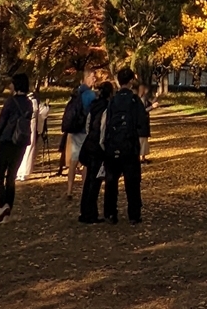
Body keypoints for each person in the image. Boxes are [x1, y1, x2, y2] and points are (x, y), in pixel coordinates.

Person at [102, 65, 151, 223]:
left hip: (113, 145)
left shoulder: (113, 100)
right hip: (130, 145)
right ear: (130, 81)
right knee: (132, 182)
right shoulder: (134, 100)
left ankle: (110, 212)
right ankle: (134, 215)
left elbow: (107, 122)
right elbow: (141, 122)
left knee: (111, 181)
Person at [0, 72, 34, 223]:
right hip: (21, 142)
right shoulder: (29, 103)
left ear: (16, 85)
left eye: (12, 83)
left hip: (7, 140)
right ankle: (8, 210)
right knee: (11, 177)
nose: (10, 85)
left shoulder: (10, 102)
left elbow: (1, 122)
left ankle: (3, 204)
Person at [78, 80, 113, 223]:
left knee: (89, 180)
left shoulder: (94, 106)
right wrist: (104, 146)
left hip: (89, 143)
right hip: (98, 146)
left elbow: (88, 124)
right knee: (95, 181)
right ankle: (90, 214)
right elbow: (104, 128)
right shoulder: (106, 108)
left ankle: (85, 210)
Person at [61, 70, 97, 198]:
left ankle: (69, 190)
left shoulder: (76, 93)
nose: (95, 79)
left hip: (74, 129)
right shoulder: (90, 95)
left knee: (74, 160)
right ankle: (85, 189)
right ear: (87, 78)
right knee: (86, 161)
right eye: (93, 77)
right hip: (84, 130)